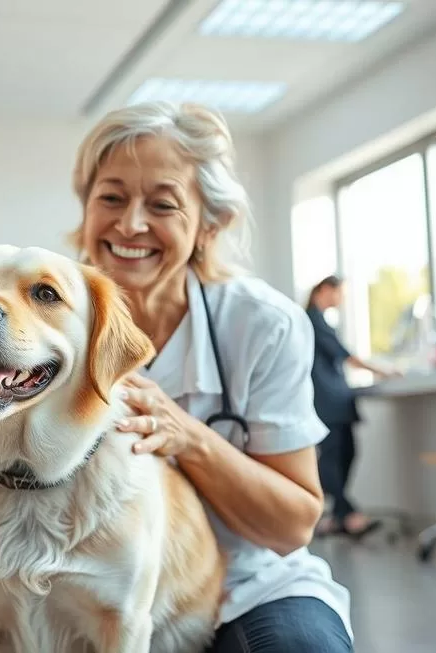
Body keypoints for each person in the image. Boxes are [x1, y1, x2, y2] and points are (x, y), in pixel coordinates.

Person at [70, 102, 353, 651]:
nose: (130, 224)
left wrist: (190, 437)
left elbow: (293, 526)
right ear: (86, 207)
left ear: (208, 224)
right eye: (111, 197)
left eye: (163, 204)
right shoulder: (50, 326)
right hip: (94, 591)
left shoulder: (260, 325)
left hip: (247, 585)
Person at [305, 275, 397, 539]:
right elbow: (343, 354)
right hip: (326, 400)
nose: (342, 299)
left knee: (348, 453)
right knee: (331, 458)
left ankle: (337, 517)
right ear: (324, 289)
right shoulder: (312, 320)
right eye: (340, 293)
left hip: (339, 398)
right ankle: (350, 513)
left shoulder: (322, 321)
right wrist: (380, 370)